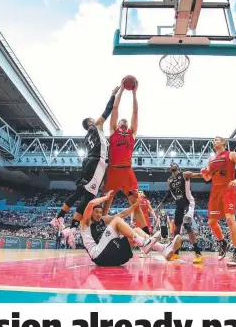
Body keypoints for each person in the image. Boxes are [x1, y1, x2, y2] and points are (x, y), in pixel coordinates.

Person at [50, 85, 120, 247]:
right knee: (87, 197)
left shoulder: (88, 136)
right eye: (93, 120)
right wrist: (112, 95)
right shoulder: (96, 127)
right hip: (96, 162)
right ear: (90, 122)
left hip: (91, 162)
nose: (96, 120)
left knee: (81, 193)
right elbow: (107, 110)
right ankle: (69, 226)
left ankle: (60, 219)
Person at [186, 137, 236, 267]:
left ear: (223, 142)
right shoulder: (211, 159)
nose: (214, 141)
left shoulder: (231, 154)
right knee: (211, 221)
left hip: (228, 188)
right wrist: (204, 173)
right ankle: (222, 242)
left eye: (217, 139)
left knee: (230, 218)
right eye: (213, 140)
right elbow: (208, 177)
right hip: (215, 190)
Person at [80, 190, 182, 266]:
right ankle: (143, 243)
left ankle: (163, 249)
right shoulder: (85, 223)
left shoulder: (102, 220)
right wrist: (106, 198)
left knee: (136, 230)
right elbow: (91, 203)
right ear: (91, 213)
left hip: (111, 256)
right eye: (96, 212)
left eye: (100, 212)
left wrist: (136, 204)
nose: (99, 215)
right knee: (116, 220)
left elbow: (123, 214)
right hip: (99, 255)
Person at [102, 82, 148, 234]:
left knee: (136, 204)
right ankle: (101, 228)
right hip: (113, 171)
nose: (124, 121)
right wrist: (121, 89)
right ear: (117, 124)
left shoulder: (132, 133)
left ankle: (147, 234)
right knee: (106, 204)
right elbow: (115, 108)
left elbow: (135, 112)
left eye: (125, 121)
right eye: (121, 120)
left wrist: (134, 93)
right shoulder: (113, 131)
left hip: (127, 172)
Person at [164, 162, 204, 263]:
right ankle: (176, 253)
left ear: (178, 167)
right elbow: (169, 194)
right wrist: (161, 204)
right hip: (179, 205)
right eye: (171, 164)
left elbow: (198, 175)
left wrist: (208, 172)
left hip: (188, 203)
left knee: (186, 224)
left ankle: (198, 253)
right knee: (176, 230)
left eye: (174, 164)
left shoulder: (184, 174)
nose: (172, 165)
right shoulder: (169, 181)